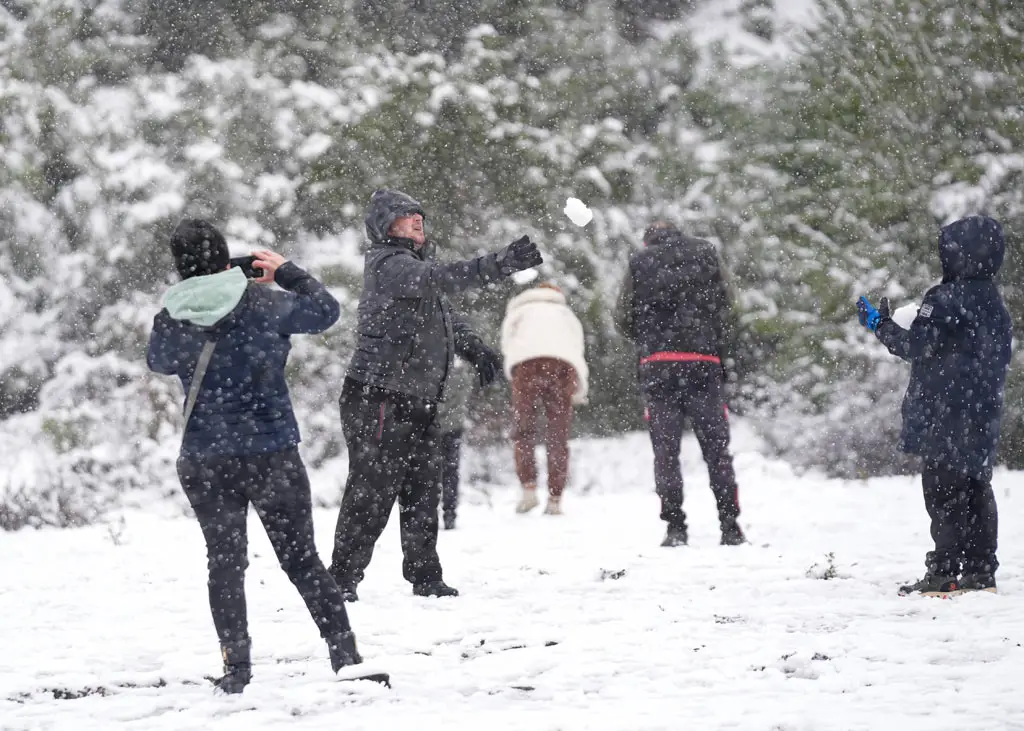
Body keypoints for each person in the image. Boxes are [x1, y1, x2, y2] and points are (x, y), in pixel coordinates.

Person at [147, 219, 372, 694]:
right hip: (269, 454)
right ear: (227, 259)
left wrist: (196, 297)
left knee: (224, 564)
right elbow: (326, 311)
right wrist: (288, 273)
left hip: (206, 458)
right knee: (302, 561)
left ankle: (236, 668)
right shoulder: (267, 303)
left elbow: (160, 361)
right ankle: (344, 654)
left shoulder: (171, 314)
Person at [329, 189, 542, 600]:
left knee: (423, 488)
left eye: (419, 214)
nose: (417, 219)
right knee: (372, 490)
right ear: (384, 225)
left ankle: (425, 576)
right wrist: (500, 263)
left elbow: (445, 320)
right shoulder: (388, 264)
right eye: (406, 214)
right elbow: (439, 279)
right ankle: (340, 580)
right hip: (378, 395)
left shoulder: (415, 271)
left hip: (417, 397)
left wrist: (477, 350)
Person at [857, 215, 1012, 597]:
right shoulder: (995, 303)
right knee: (977, 488)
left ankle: (943, 573)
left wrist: (881, 325)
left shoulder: (943, 300)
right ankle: (980, 571)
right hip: (982, 412)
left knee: (943, 491)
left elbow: (916, 347)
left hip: (945, 411)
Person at [615, 220, 744, 547]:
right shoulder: (706, 253)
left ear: (649, 241)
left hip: (659, 367)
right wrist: (711, 340)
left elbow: (622, 316)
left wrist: (649, 341)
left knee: (666, 451)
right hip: (703, 364)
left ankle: (675, 527)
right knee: (717, 450)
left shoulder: (640, 262)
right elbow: (732, 306)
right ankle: (730, 525)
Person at [500, 283, 589, 515]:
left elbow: (506, 343)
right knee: (557, 434)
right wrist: (578, 390)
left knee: (524, 430)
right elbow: (578, 348)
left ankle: (528, 489)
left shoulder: (519, 310)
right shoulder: (565, 313)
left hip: (525, 365)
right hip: (562, 366)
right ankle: (555, 499)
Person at [436, 357, 476, 530]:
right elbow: (464, 396)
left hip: (432, 427)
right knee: (450, 472)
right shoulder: (462, 373)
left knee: (428, 473)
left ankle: (430, 513)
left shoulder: (431, 369)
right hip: (454, 427)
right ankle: (450, 513)